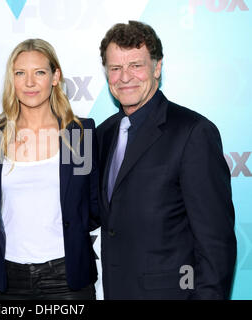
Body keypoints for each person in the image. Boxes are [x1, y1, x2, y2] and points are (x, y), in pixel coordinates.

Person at [97, 21, 236, 299]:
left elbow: (215, 243)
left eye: (136, 65)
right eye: (115, 68)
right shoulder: (104, 133)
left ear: (157, 68)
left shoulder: (193, 132)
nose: (125, 77)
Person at [0, 39, 99, 300]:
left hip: (67, 278)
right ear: (12, 79)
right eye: (20, 73)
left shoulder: (80, 135)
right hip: (9, 279)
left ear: (55, 77)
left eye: (40, 72)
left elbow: (93, 206)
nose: (29, 82)